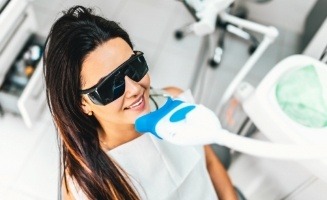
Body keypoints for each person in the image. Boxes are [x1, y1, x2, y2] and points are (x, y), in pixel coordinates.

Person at [43, 5, 237, 200]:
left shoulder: (174, 100)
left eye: (133, 66)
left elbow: (210, 164)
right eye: (110, 85)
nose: (135, 89)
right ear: (82, 104)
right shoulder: (85, 186)